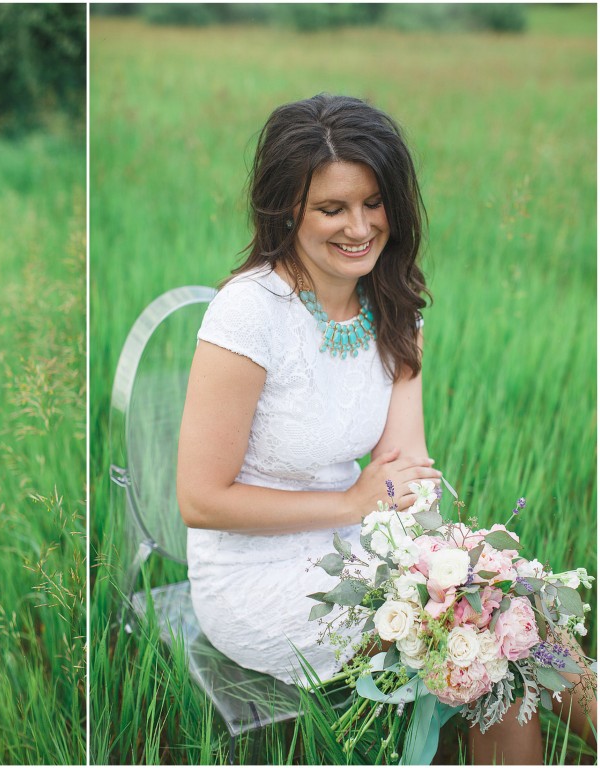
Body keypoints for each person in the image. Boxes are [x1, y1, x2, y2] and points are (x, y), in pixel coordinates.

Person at [176, 93, 595, 763]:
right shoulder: (250, 314)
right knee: (489, 631)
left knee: (504, 610)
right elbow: (200, 500)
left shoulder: (392, 303)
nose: (359, 227)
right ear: (288, 209)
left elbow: (408, 469)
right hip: (252, 579)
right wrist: (351, 504)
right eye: (332, 208)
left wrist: (456, 566)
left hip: (359, 545)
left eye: (374, 203)